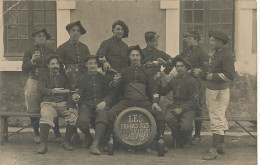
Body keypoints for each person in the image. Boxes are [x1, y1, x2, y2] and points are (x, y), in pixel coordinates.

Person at [105, 45, 165, 151]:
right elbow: (117, 90)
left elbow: (153, 89)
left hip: (143, 101)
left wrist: (155, 102)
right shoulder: (124, 71)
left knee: (159, 114)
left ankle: (158, 141)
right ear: (129, 57)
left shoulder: (147, 72)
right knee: (110, 113)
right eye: (133, 55)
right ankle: (112, 140)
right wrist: (116, 82)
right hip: (126, 101)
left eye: (137, 55)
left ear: (140, 57)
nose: (135, 57)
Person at [22, 29, 62, 144]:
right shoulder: (29, 51)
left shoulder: (50, 50)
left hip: (48, 81)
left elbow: (56, 65)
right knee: (33, 107)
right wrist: (32, 61)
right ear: (34, 37)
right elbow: (24, 69)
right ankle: (37, 133)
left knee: (53, 104)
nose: (42, 38)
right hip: (34, 81)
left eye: (44, 36)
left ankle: (57, 133)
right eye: (39, 36)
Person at [202, 31, 235, 160]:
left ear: (221, 42)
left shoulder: (226, 55)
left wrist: (212, 76)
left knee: (216, 118)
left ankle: (213, 150)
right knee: (221, 117)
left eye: (213, 40)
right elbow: (213, 68)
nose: (210, 42)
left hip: (219, 91)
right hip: (213, 89)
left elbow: (230, 75)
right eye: (210, 40)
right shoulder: (217, 53)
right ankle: (221, 145)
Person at [57, 21, 90, 143]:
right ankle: (73, 132)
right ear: (69, 32)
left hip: (82, 78)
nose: (75, 33)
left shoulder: (84, 47)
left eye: (78, 31)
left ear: (80, 34)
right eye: (73, 31)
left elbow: (88, 63)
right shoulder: (62, 48)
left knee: (82, 102)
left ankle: (85, 132)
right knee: (71, 104)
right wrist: (67, 70)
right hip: (68, 80)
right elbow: (59, 66)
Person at [74, 55, 114, 155]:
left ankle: (95, 144)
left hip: (100, 104)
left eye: (95, 63)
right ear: (86, 65)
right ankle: (88, 136)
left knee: (102, 117)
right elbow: (77, 91)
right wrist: (77, 96)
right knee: (82, 121)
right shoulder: (81, 78)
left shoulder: (102, 78)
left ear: (97, 65)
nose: (93, 66)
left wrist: (104, 102)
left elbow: (110, 93)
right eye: (90, 63)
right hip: (86, 105)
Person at [37, 55, 78, 154]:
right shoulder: (43, 76)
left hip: (62, 104)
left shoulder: (64, 77)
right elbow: (40, 89)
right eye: (52, 64)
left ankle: (66, 141)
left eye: (57, 64)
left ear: (59, 65)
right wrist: (52, 91)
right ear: (48, 65)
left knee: (73, 117)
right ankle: (43, 144)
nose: (55, 66)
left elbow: (69, 92)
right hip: (48, 104)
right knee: (46, 116)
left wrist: (71, 106)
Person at [159, 55, 199, 148]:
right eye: (177, 66)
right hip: (175, 105)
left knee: (186, 127)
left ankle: (185, 137)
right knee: (168, 118)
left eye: (182, 66)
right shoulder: (173, 80)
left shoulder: (192, 81)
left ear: (186, 68)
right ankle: (178, 136)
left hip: (188, 107)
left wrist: (181, 109)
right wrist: (159, 80)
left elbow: (194, 100)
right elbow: (163, 92)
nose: (179, 68)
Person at [180, 31, 209, 144]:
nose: (187, 40)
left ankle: (197, 135)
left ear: (196, 40)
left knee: (197, 106)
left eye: (189, 38)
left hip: (197, 84)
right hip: (185, 83)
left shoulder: (202, 53)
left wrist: (198, 71)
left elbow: (206, 69)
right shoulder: (185, 52)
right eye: (186, 38)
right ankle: (184, 133)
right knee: (185, 103)